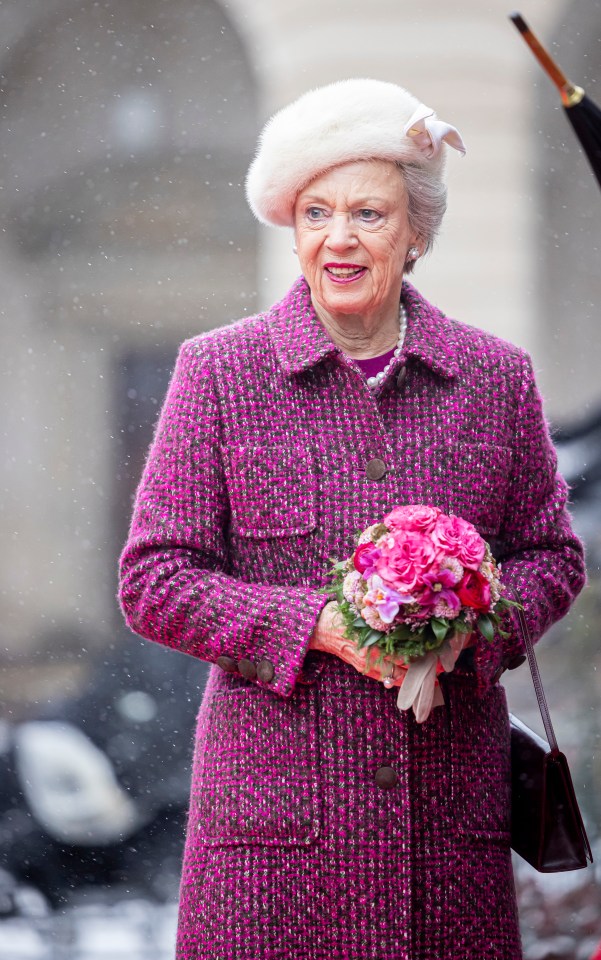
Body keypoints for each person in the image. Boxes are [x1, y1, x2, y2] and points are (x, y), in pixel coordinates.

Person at [118, 79, 586, 959]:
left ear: (415, 235)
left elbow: (550, 558)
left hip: (446, 836)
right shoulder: (218, 373)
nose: (339, 238)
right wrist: (317, 625)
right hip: (271, 848)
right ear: (292, 231)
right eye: (316, 213)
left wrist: (470, 630)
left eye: (368, 214)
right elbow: (154, 579)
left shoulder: (494, 379)